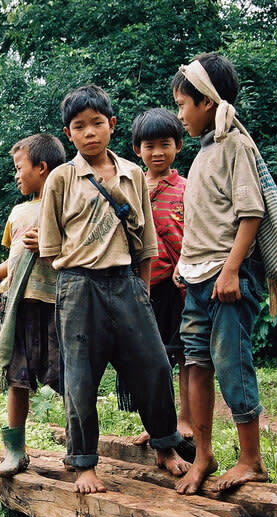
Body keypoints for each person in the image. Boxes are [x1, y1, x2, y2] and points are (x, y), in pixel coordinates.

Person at [37, 85, 190, 494]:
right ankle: (84, 463)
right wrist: (80, 278)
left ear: (112, 126)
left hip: (127, 283)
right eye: (79, 126)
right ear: (68, 134)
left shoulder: (133, 174)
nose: (90, 133)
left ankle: (165, 446)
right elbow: (52, 249)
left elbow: (148, 243)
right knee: (81, 378)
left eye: (97, 124)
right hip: (78, 286)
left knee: (154, 365)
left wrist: (139, 288)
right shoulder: (60, 179)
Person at [171, 53, 268, 494]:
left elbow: (250, 215)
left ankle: (251, 460)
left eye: (182, 104)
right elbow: (203, 218)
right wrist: (183, 263)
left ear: (205, 102)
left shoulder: (236, 146)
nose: (179, 114)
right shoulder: (205, 151)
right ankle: (205, 455)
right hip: (195, 278)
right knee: (196, 364)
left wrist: (230, 271)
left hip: (225, 280)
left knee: (232, 364)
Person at [0, 133, 66, 477]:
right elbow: (15, 259)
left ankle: (79, 447)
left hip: (55, 303)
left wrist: (52, 245)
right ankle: (15, 450)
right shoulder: (18, 211)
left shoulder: (66, 203)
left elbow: (77, 251)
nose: (16, 175)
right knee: (16, 378)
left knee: (68, 377)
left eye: (19, 168)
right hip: (18, 303)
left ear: (41, 167)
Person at [128, 108, 193, 446]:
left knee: (182, 353)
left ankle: (184, 418)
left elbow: (196, 235)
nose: (156, 153)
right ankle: (158, 423)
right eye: (148, 146)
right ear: (137, 149)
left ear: (178, 146)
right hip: (140, 285)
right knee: (152, 358)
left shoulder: (187, 188)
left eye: (164, 144)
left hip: (176, 285)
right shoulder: (130, 186)